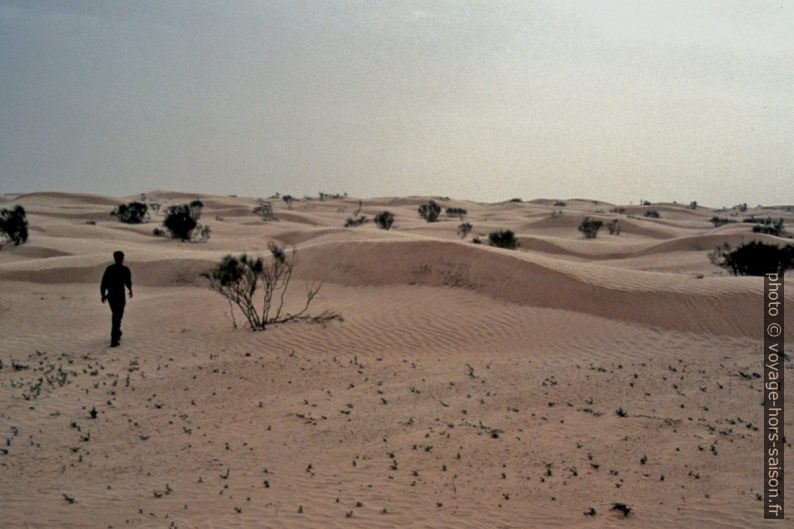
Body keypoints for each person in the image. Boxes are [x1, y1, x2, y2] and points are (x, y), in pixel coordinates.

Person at [100, 250, 133, 347]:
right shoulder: (125, 269)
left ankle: (117, 332)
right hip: (119, 295)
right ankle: (114, 338)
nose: (123, 259)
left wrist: (103, 294)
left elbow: (104, 283)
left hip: (111, 296)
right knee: (117, 315)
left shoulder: (109, 269)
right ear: (121, 258)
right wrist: (130, 290)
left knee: (116, 315)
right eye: (122, 257)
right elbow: (128, 282)